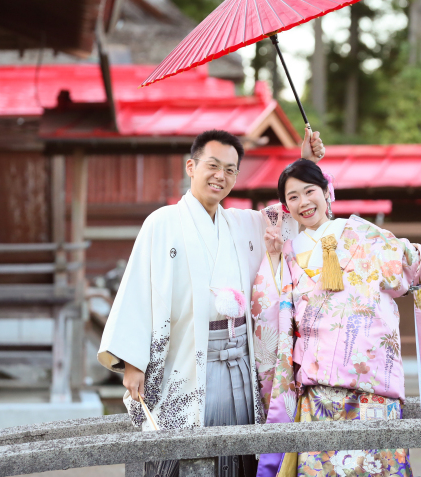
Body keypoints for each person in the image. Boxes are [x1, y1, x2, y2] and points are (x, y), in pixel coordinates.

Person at [251, 159, 421, 477]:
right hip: (318, 396)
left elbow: (418, 264)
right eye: (292, 197)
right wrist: (272, 256)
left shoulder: (366, 236)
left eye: (309, 191)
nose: (303, 202)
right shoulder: (288, 255)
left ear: (327, 192)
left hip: (374, 391)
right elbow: (271, 313)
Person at [98, 129, 324, 477]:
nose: (221, 176)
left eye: (231, 169)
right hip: (185, 362)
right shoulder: (162, 223)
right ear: (191, 166)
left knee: (241, 453)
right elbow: (137, 290)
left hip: (240, 361)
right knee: (181, 452)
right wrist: (133, 362)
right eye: (213, 165)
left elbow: (297, 210)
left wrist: (305, 164)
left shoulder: (243, 223)